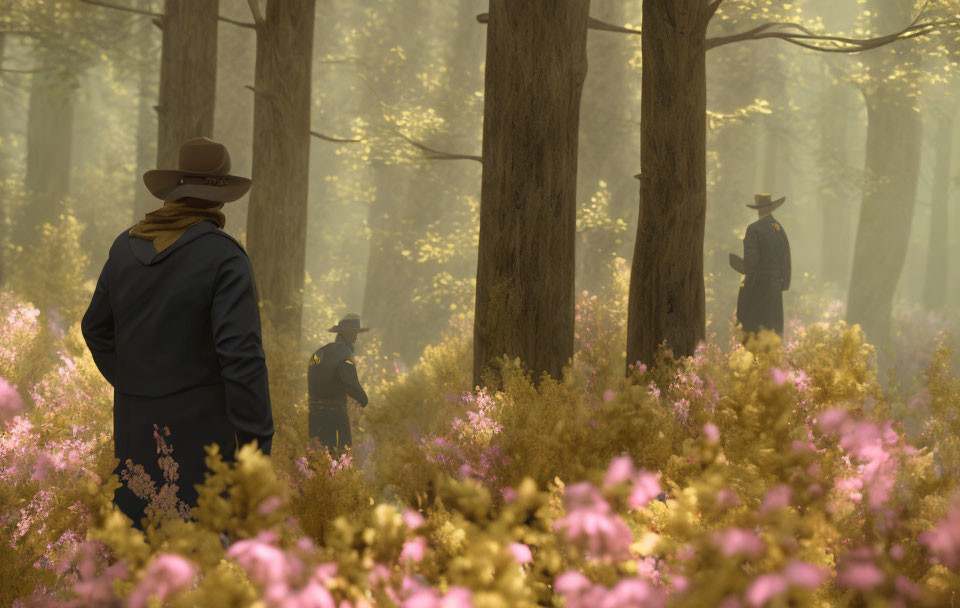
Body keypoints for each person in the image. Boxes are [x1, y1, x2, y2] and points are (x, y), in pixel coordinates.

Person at [81, 137, 274, 528]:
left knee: (137, 550)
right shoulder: (225, 257)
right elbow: (241, 357)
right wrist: (256, 448)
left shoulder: (123, 248)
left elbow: (95, 329)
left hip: (134, 427)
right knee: (197, 559)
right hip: (201, 439)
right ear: (220, 198)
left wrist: (136, 383)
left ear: (177, 190)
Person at [729, 193, 792, 338]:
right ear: (771, 207)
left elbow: (751, 263)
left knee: (754, 331)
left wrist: (738, 265)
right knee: (773, 330)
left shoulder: (754, 229)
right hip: (775, 286)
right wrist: (784, 283)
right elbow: (786, 260)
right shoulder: (779, 229)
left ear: (758, 209)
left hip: (758, 286)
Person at [307, 314, 370, 452]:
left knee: (317, 458)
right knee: (340, 456)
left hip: (314, 415)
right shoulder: (344, 354)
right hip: (334, 416)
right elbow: (349, 382)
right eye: (354, 331)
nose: (355, 335)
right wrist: (363, 399)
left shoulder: (320, 352)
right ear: (348, 333)